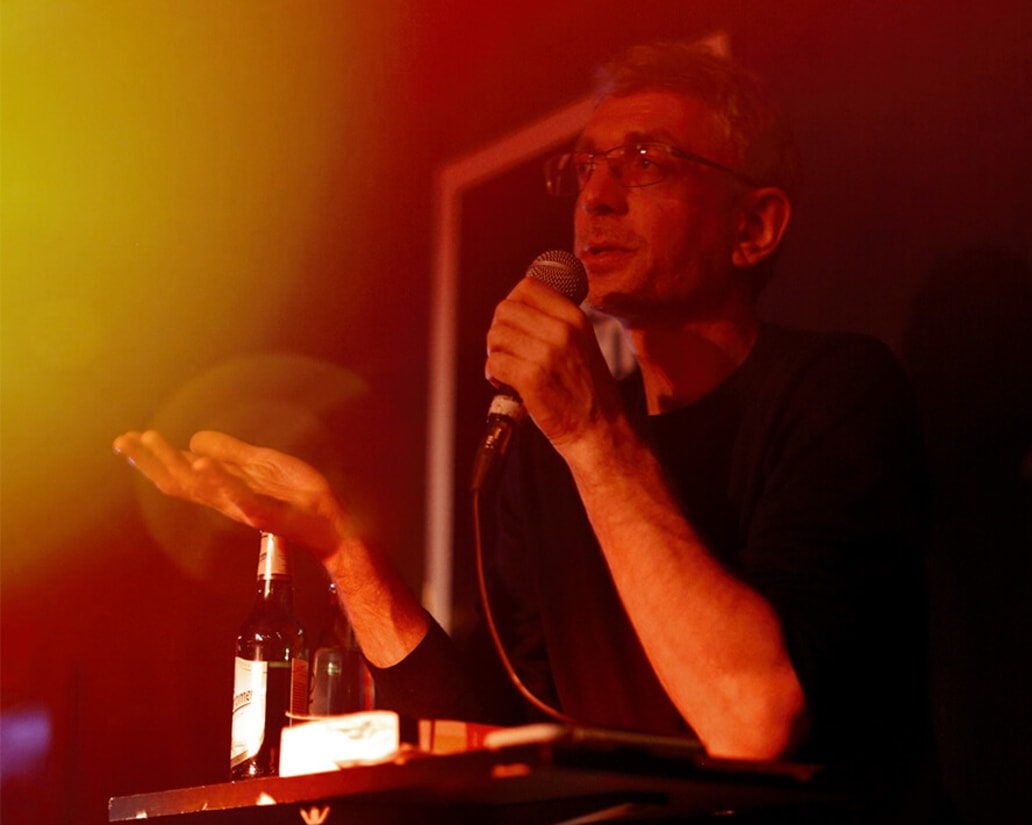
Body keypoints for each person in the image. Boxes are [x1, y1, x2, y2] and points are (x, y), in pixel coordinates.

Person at [114, 43, 928, 783]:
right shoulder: (548, 453)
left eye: (646, 161)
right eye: (585, 167)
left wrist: (592, 436)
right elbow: (494, 735)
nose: (595, 197)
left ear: (754, 226)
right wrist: (340, 544)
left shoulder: (836, 391)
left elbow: (755, 720)